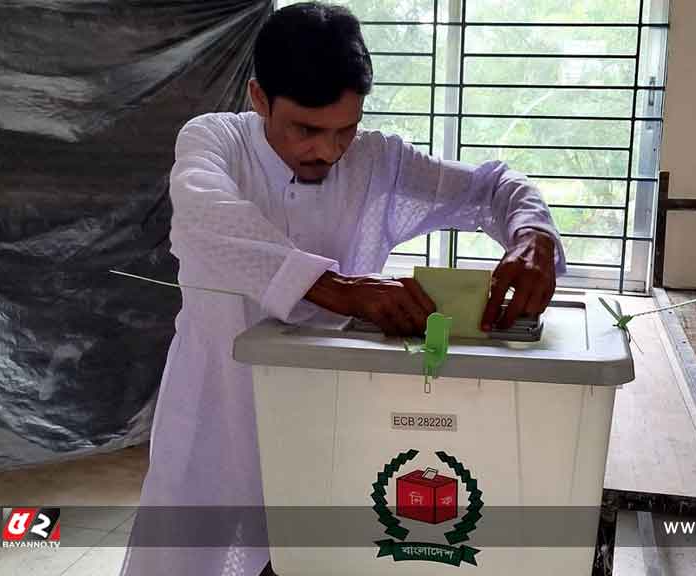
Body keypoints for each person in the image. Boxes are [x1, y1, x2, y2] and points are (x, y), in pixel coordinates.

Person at [119, 3, 566, 575]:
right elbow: (209, 223)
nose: (328, 151)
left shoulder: (377, 162)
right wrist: (342, 290)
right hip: (216, 411)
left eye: (344, 130)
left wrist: (533, 235)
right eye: (306, 130)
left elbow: (491, 187)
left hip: (329, 419)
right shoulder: (215, 144)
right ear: (259, 99)